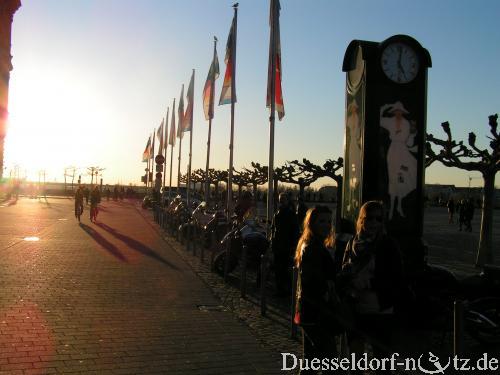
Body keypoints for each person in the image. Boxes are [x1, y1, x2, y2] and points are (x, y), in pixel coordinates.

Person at [338, 200, 403, 360]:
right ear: (361, 219)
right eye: (369, 218)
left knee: (381, 359)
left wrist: (368, 284)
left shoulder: (388, 245)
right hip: (355, 308)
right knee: (355, 359)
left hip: (380, 309)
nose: (374, 222)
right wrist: (347, 277)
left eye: (378, 219)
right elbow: (342, 272)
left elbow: (396, 277)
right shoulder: (352, 243)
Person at [293, 206, 339, 373]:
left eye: (329, 221)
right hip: (315, 312)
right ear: (311, 223)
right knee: (330, 360)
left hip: (307, 311)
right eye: (322, 221)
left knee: (311, 362)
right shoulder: (312, 247)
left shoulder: (311, 244)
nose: (327, 225)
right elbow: (312, 281)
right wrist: (330, 284)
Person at [271, 192, 300, 296]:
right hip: (278, 245)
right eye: (280, 199)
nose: (281, 201)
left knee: (285, 269)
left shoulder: (291, 215)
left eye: (283, 199)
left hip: (287, 245)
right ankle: (280, 289)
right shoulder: (277, 214)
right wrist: (272, 242)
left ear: (287, 201)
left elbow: (295, 231)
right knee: (278, 269)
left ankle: (286, 290)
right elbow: (274, 229)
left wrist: (294, 245)